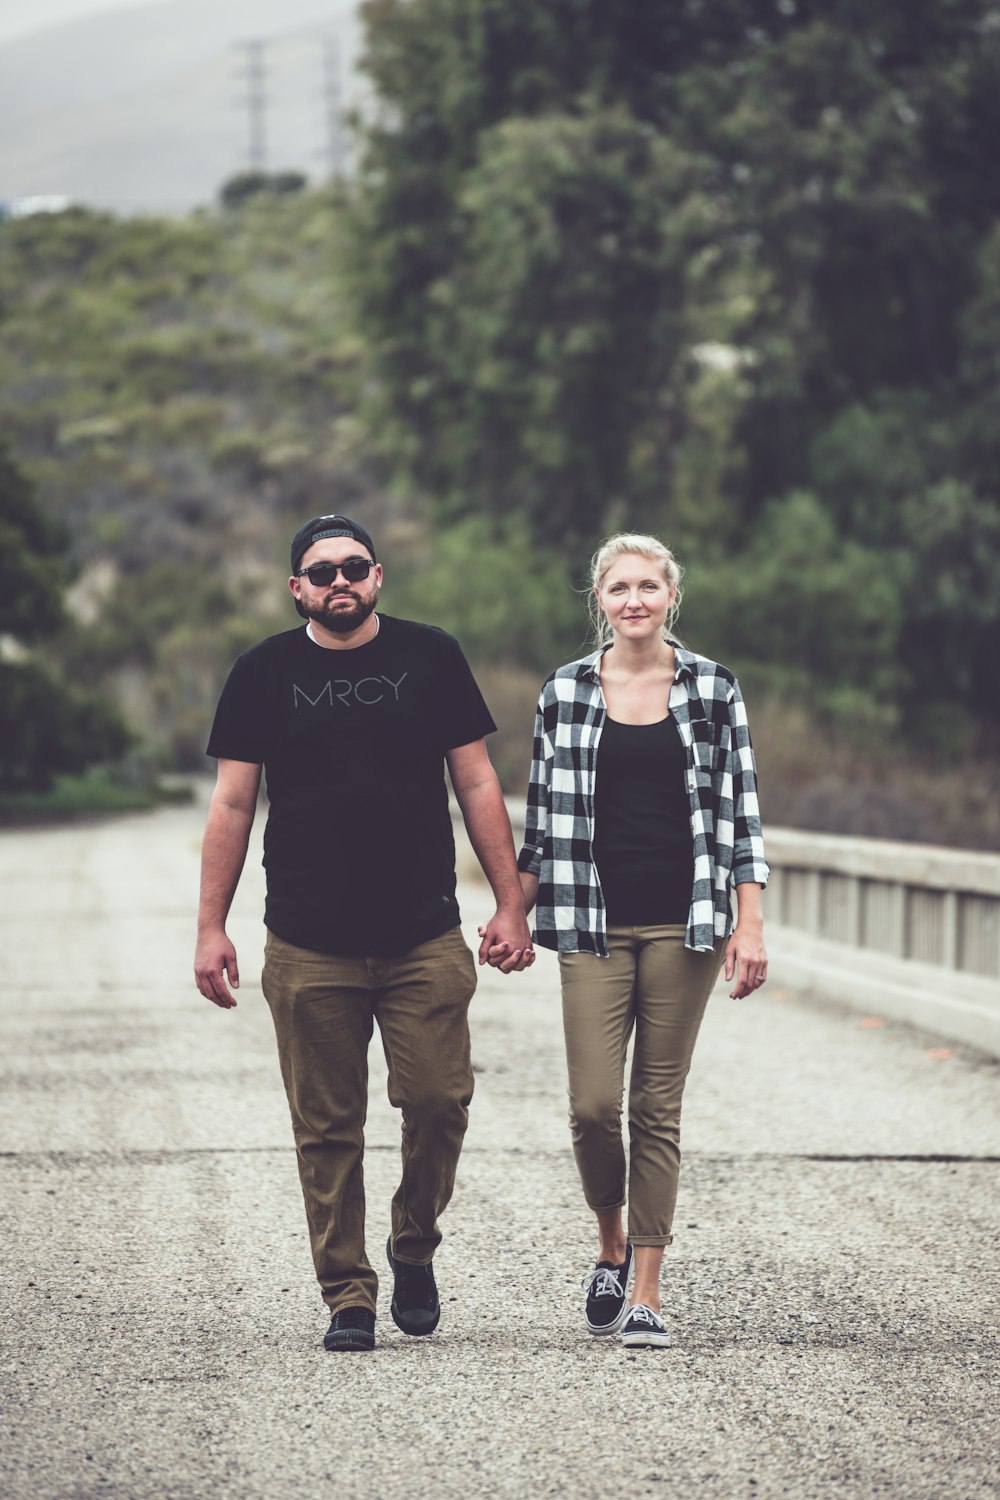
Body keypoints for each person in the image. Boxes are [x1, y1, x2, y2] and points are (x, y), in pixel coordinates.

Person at [194, 513, 534, 1353]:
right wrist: (210, 925)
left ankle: (412, 1244)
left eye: (354, 567)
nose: (338, 581)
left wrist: (509, 903)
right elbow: (234, 803)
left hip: (423, 933)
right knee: (326, 1127)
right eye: (321, 571)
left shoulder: (431, 656)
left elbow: (477, 781)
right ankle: (348, 1293)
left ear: (378, 576)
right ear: (296, 588)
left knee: (438, 1102)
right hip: (308, 941)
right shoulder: (264, 672)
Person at [491, 532, 768, 1349]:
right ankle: (609, 1243)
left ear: (671, 596)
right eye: (620, 588)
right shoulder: (565, 691)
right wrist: (515, 910)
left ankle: (646, 1290)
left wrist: (748, 922)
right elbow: (539, 823)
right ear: (600, 601)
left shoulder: (714, 689)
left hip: (686, 924)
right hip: (589, 922)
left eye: (649, 586)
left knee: (656, 1107)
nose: (635, 600)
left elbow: (740, 814)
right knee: (588, 1108)